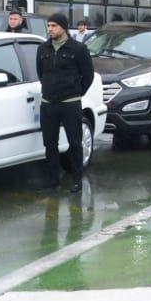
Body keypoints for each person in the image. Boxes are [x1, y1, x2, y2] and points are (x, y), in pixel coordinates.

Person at [35, 13, 95, 193]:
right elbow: (40, 73)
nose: (50, 29)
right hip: (48, 103)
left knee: (75, 142)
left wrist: (76, 92)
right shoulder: (43, 49)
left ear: (63, 27)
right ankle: (53, 179)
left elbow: (88, 75)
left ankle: (77, 179)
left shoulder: (78, 49)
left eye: (53, 25)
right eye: (48, 26)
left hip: (70, 103)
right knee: (50, 143)